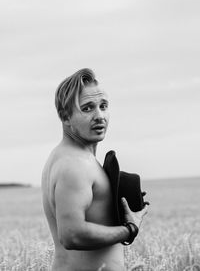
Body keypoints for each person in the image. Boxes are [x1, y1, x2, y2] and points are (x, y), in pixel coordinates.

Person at [42, 68, 148, 271]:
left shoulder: (68, 158)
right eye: (88, 108)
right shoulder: (75, 164)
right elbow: (72, 234)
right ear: (65, 117)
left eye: (103, 106)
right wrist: (129, 229)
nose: (100, 116)